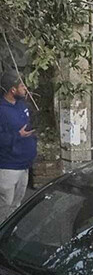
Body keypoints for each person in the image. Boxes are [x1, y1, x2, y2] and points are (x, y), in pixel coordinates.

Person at [0, 69, 37, 222]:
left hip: (24, 165)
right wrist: (18, 136)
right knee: (5, 204)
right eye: (22, 87)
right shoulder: (2, 110)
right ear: (12, 90)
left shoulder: (22, 105)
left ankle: (9, 233)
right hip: (9, 167)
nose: (25, 89)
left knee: (16, 204)